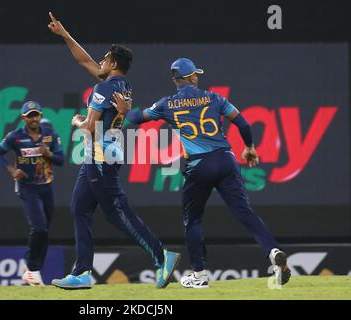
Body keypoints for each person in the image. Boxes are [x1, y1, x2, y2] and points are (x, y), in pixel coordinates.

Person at [112, 58, 291, 288]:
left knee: (193, 220)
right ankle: (273, 251)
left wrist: (124, 111)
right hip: (226, 160)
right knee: (244, 212)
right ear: (192, 77)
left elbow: (137, 119)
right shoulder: (214, 97)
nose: (197, 76)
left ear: (176, 80)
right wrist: (249, 147)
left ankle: (199, 275)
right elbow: (244, 124)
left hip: (199, 165)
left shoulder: (167, 104)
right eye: (195, 73)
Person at [47, 12, 180, 289]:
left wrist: (75, 121)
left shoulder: (102, 88)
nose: (101, 60)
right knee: (79, 209)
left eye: (105, 58)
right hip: (101, 157)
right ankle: (82, 272)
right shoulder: (122, 86)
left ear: (114, 63)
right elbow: (84, 60)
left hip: (100, 158)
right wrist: (65, 34)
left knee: (117, 213)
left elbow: (88, 127)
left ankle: (162, 256)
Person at [0, 101, 64, 286]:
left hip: (46, 187)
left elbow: (61, 160)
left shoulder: (50, 135)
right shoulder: (15, 137)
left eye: (36, 115)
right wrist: (11, 170)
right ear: (23, 117)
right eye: (29, 115)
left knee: (44, 231)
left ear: (41, 115)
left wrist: (48, 154)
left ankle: (32, 269)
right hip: (26, 187)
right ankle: (32, 269)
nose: (33, 119)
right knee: (39, 227)